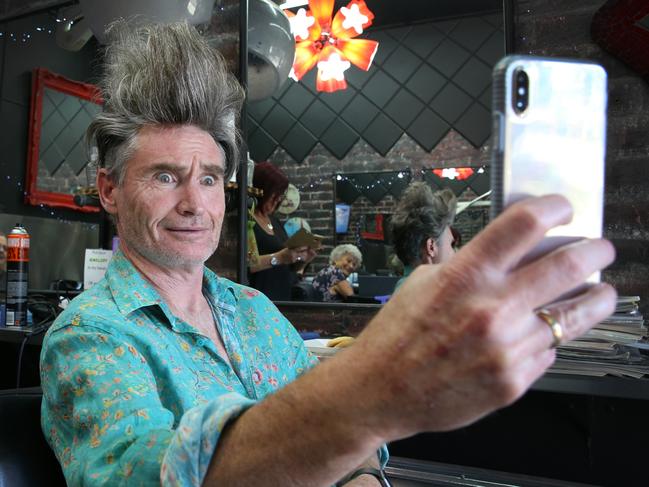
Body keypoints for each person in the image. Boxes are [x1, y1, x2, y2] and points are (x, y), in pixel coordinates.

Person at [40, 21, 617, 487]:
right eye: (165, 177)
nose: (195, 203)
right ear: (110, 189)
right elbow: (148, 476)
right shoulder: (89, 337)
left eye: (211, 179)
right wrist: (374, 389)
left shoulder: (255, 312)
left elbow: (359, 458)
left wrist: (362, 472)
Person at [248, 161, 316, 300]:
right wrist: (279, 257)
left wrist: (302, 259)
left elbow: (288, 267)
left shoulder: (275, 221)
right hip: (259, 299)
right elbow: (246, 263)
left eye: (280, 196)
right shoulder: (247, 219)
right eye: (274, 195)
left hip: (283, 297)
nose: (277, 201)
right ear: (261, 190)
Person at [390, 183, 457, 290]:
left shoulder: (402, 289)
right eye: (451, 245)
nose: (455, 253)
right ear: (431, 247)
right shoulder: (432, 296)